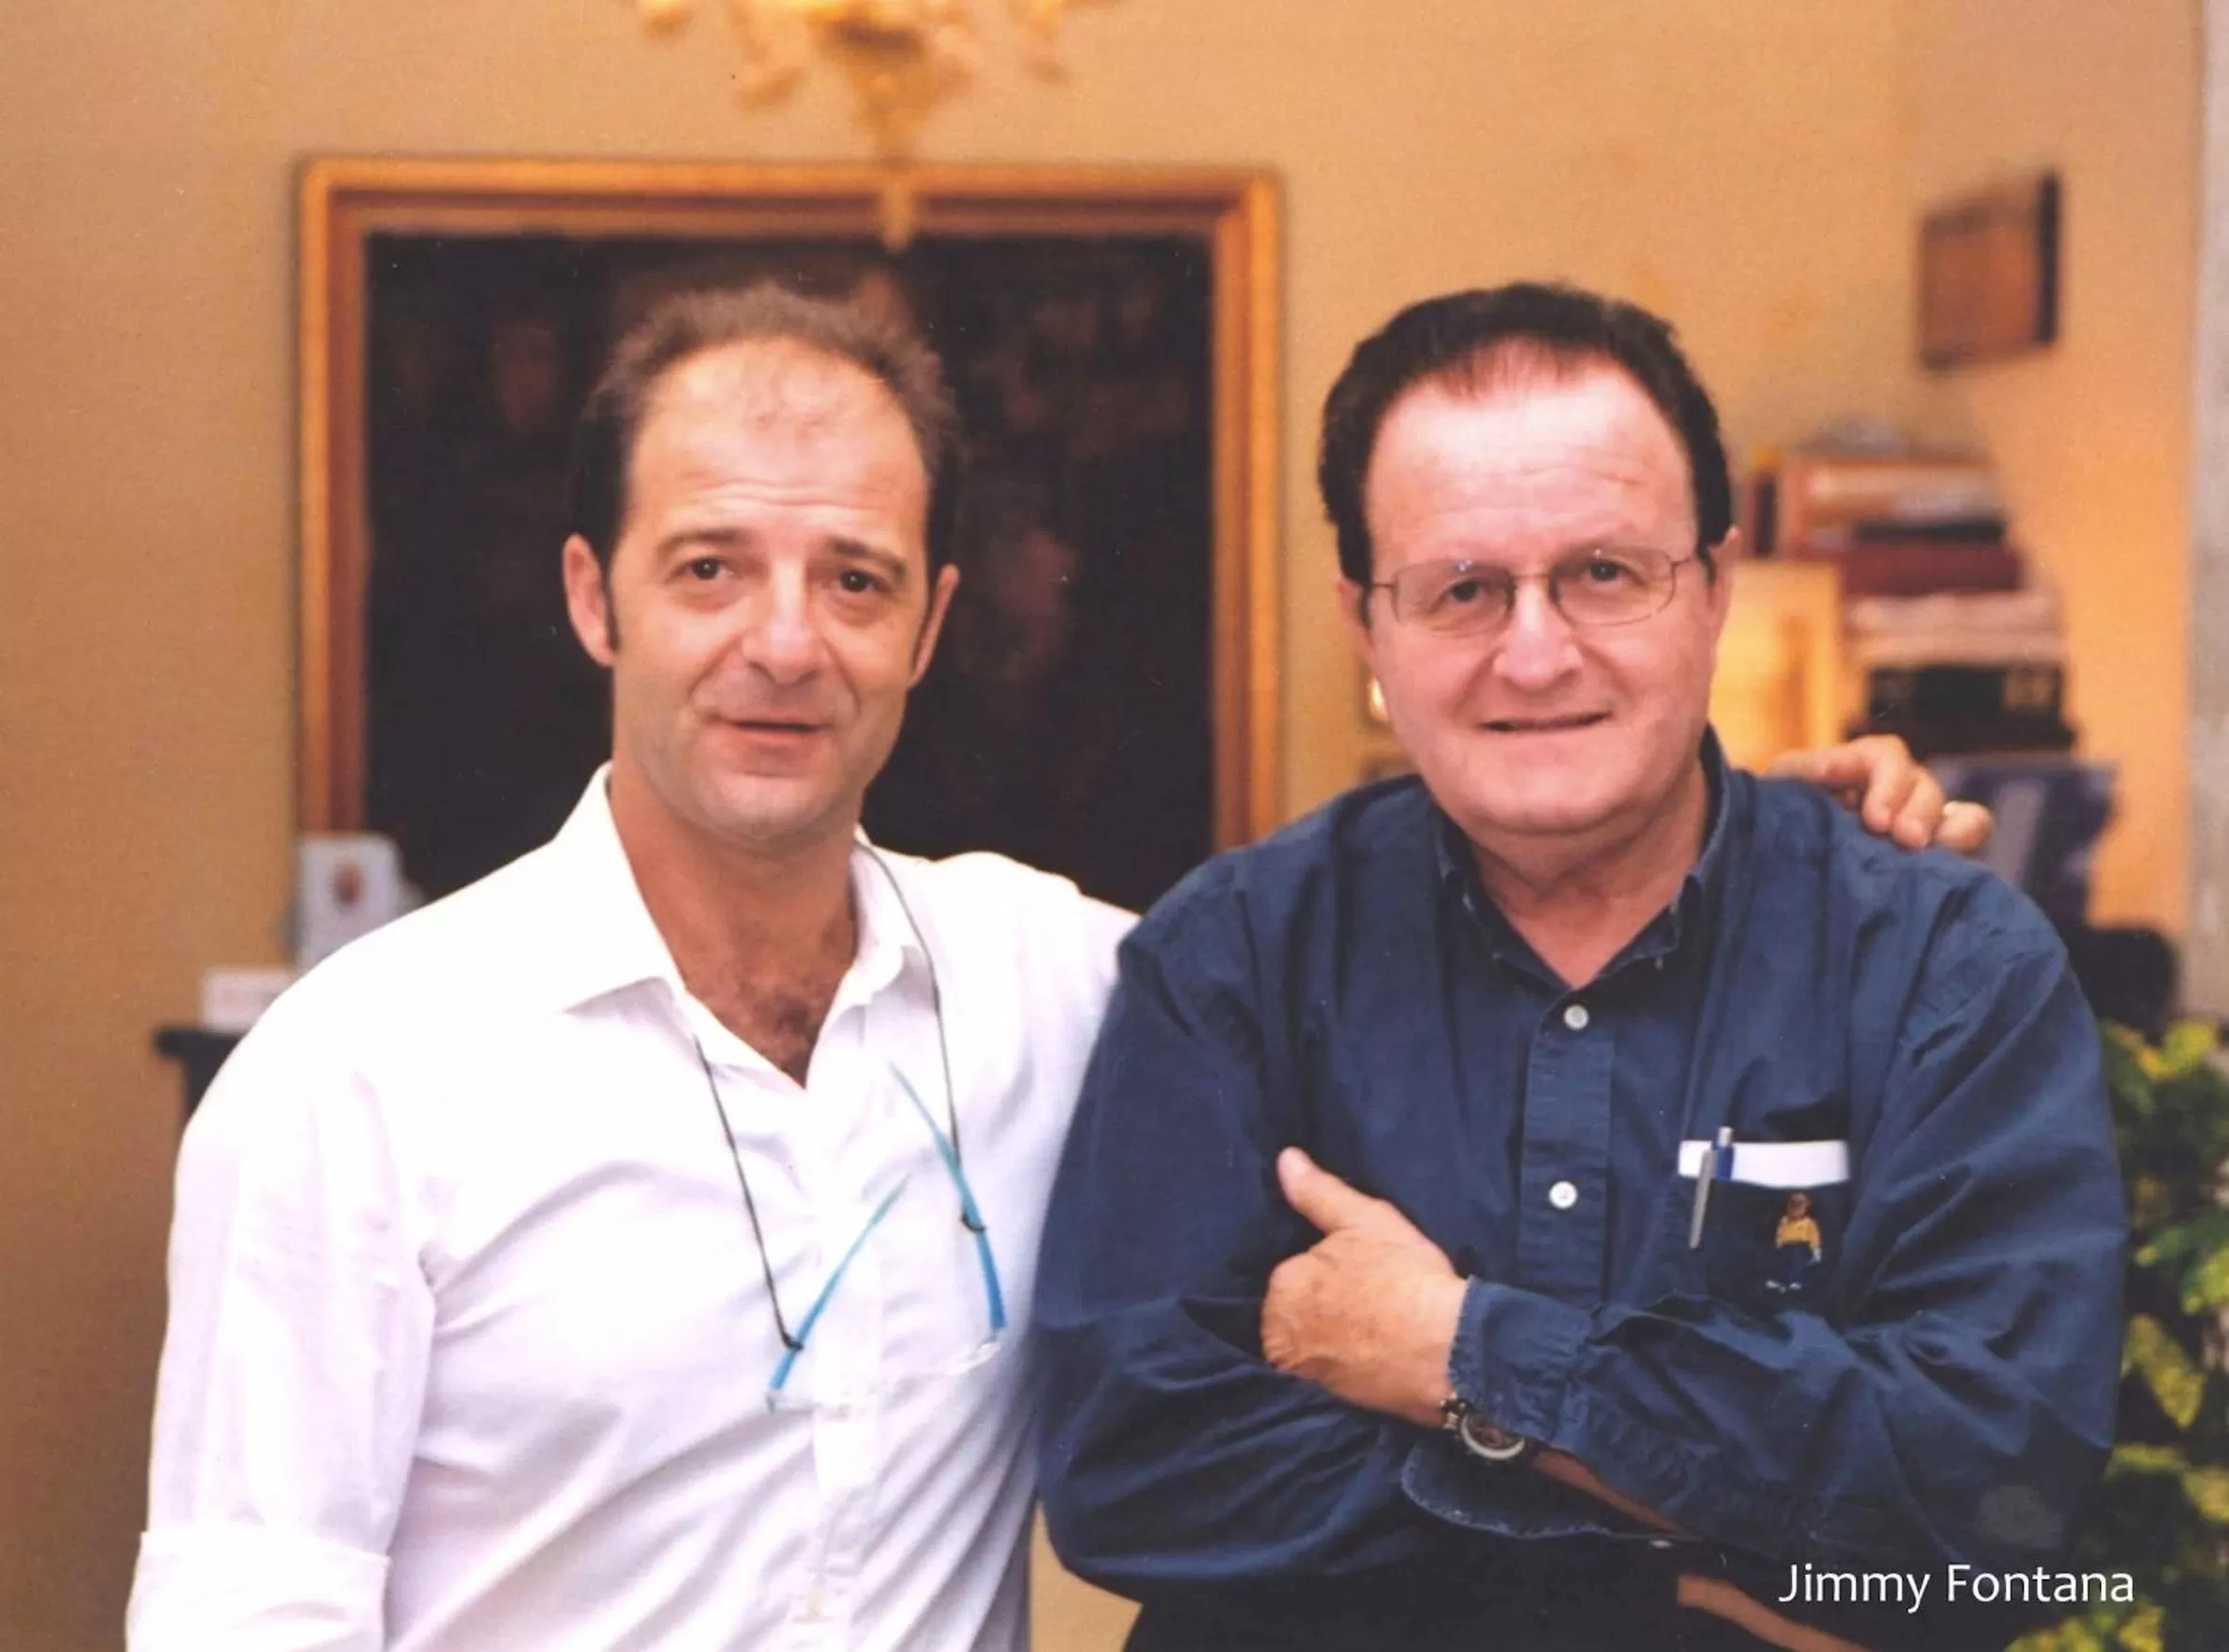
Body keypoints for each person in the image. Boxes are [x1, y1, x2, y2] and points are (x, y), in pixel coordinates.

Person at [130, 281, 1989, 1652]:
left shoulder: (1061, 979)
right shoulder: (357, 1070)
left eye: (853, 579)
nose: (784, 642)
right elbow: (251, 1603)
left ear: (931, 622)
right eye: (709, 569)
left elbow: (1433, 929)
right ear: (591, 597)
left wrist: (1756, 838)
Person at [1033, 283, 2124, 1652]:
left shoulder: (1935, 962)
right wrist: (1685, 1561)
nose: (1535, 652)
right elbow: (1133, 1472)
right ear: (1367, 627)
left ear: (1714, 588)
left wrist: (1446, 1352)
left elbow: (1995, 1497)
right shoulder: (1232, 956)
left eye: (1603, 573)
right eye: (1462, 589)